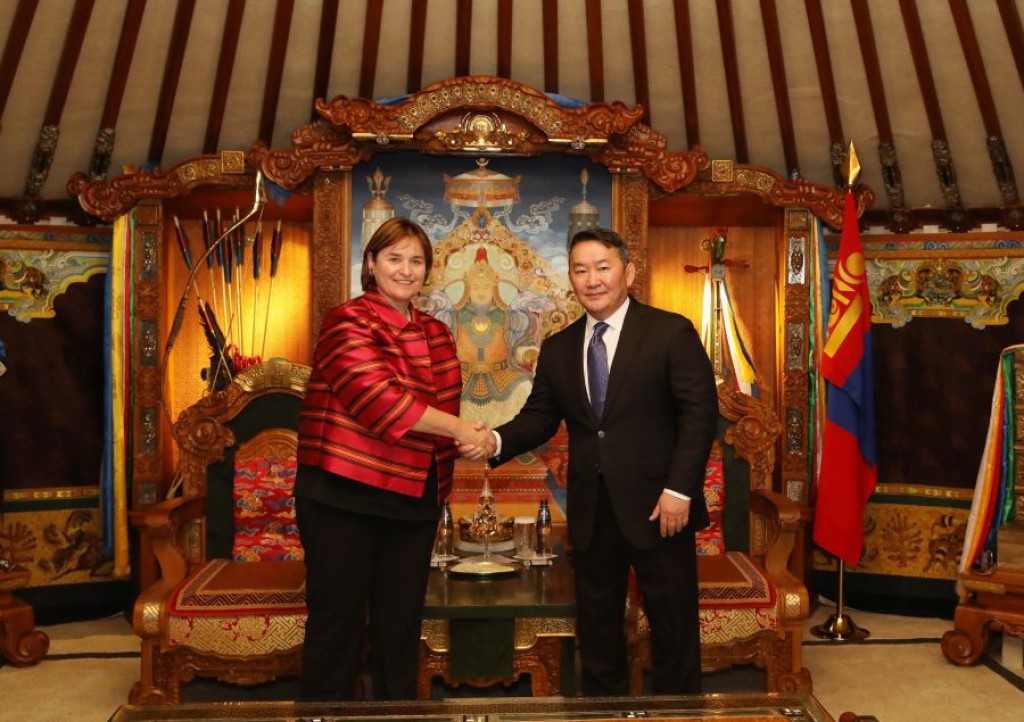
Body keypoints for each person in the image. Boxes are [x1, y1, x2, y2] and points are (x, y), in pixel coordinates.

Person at [466, 227, 719, 696]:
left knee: (673, 628)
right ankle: (604, 712)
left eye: (603, 267)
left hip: (661, 506)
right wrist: (494, 441)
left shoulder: (670, 332)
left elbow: (700, 415)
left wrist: (679, 489)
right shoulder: (560, 347)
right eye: (581, 270)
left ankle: (679, 714)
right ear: (571, 279)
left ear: (629, 272)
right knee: (598, 630)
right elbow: (539, 418)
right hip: (591, 509)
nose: (592, 279)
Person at [294, 216, 491, 701]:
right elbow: (378, 399)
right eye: (394, 258)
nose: (406, 270)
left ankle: (398, 713)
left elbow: (444, 411)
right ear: (371, 263)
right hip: (343, 493)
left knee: (400, 627)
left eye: (416, 261)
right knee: (337, 625)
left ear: (428, 270)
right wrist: (462, 431)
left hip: (414, 496)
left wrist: (470, 440)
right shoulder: (346, 321)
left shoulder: (437, 331)